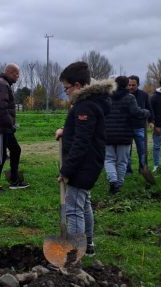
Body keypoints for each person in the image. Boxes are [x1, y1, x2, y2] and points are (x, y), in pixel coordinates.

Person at [55, 61, 113, 257]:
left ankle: (74, 253)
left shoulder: (85, 106)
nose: (66, 92)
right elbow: (84, 132)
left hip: (83, 165)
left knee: (73, 208)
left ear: (78, 86)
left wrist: (66, 170)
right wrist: (66, 131)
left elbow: (82, 142)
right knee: (84, 202)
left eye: (67, 88)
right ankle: (87, 245)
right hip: (90, 162)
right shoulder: (91, 102)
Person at [0, 63, 29, 192]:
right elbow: (1, 108)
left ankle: (14, 181)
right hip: (0, 128)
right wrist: (11, 123)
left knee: (16, 150)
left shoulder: (4, 84)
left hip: (5, 128)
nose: (17, 77)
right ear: (10, 72)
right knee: (1, 156)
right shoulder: (3, 85)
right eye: (16, 74)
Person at [106, 76, 149, 194]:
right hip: (124, 133)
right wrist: (146, 112)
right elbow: (136, 112)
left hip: (108, 133)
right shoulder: (130, 98)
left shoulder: (107, 97)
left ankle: (113, 182)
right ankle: (118, 184)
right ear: (126, 85)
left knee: (109, 159)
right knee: (122, 160)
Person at [126, 75, 151, 174]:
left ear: (138, 84)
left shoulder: (144, 95)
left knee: (142, 150)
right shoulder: (125, 95)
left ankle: (143, 170)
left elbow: (149, 108)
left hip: (140, 127)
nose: (131, 87)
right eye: (129, 85)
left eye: (133, 85)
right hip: (127, 127)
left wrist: (151, 121)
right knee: (127, 152)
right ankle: (128, 171)